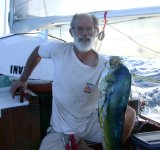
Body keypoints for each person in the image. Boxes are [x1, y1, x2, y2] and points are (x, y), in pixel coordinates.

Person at [10, 13, 136, 150]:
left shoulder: (105, 66)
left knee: (130, 114)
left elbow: (115, 92)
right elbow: (37, 52)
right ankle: (80, 144)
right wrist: (23, 80)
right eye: (80, 29)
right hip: (61, 129)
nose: (85, 33)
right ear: (71, 32)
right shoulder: (58, 50)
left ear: (96, 32)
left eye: (89, 29)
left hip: (90, 122)